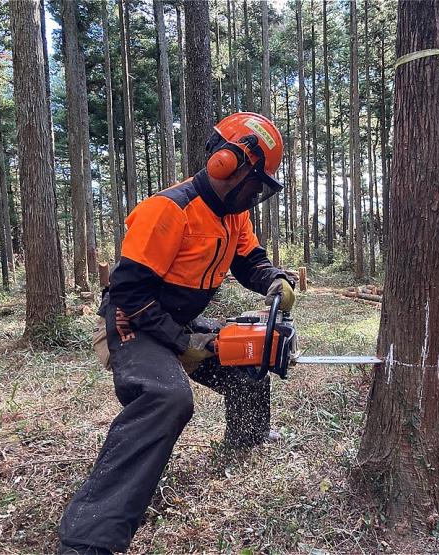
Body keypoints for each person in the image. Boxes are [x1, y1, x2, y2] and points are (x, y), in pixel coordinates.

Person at [57, 113, 295, 555]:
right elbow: (129, 294)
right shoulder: (169, 209)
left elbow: (248, 260)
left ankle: (248, 436)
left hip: (174, 321)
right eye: (254, 181)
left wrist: (273, 280)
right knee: (166, 397)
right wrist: (183, 344)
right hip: (131, 323)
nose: (254, 194)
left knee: (248, 353)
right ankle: (88, 538)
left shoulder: (233, 215)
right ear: (229, 164)